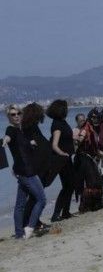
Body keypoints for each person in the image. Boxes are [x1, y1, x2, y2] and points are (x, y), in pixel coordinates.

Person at [2, 105, 47, 239]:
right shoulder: (11, 129)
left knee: (20, 205)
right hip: (27, 173)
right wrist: (5, 140)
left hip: (23, 170)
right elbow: (8, 137)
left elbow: (22, 148)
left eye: (18, 113)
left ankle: (18, 233)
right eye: (12, 114)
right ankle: (30, 227)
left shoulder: (21, 130)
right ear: (8, 117)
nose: (16, 116)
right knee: (42, 199)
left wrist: (31, 143)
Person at [46, 99, 76, 222]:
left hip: (67, 158)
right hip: (62, 160)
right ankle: (56, 214)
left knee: (70, 185)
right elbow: (54, 144)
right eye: (65, 108)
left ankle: (65, 212)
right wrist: (63, 154)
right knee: (68, 185)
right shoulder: (57, 124)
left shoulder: (62, 122)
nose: (67, 110)